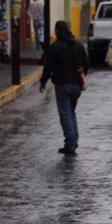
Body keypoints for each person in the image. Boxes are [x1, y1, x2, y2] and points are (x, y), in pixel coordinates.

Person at [39, 20, 89, 156]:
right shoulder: (78, 45)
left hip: (62, 85)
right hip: (76, 86)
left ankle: (70, 142)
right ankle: (73, 140)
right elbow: (86, 64)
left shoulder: (55, 47)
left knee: (65, 114)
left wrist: (43, 81)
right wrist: (81, 76)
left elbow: (48, 66)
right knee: (71, 112)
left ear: (57, 31)